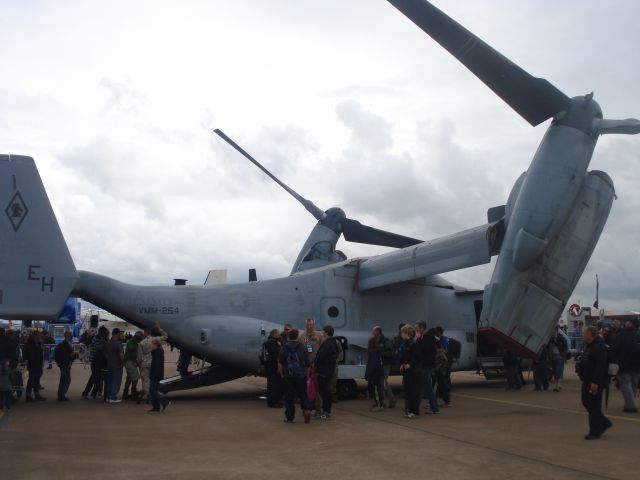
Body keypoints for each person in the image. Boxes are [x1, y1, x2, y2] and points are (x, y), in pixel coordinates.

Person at [577, 326, 612, 440]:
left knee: (594, 405)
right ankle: (604, 422)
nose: (582, 335)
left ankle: (595, 431)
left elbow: (600, 366)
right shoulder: (590, 346)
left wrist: (595, 382)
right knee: (587, 402)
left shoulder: (599, 347)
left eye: (584, 333)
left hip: (594, 381)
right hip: (587, 380)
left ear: (590, 334)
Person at [278, 328, 311, 423]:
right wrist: (307, 375)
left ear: (288, 336)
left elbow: (280, 363)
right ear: (297, 336)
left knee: (289, 397)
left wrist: (282, 374)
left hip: (288, 376)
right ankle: (306, 410)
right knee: (303, 394)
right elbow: (308, 363)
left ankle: (289, 417)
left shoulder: (284, 347)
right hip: (300, 375)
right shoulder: (303, 347)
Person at [613, 320, 640, 413]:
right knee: (633, 384)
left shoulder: (620, 335)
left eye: (628, 322)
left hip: (624, 364)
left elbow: (615, 350)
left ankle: (631, 405)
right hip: (637, 364)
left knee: (625, 384)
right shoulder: (637, 335)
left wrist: (615, 362)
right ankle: (630, 402)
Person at [299, 318, 323, 416]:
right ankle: (306, 408)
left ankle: (318, 409)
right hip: (305, 366)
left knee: (317, 388)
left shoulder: (319, 336)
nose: (309, 327)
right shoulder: (302, 337)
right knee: (305, 388)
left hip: (316, 366)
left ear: (314, 325)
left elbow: (323, 350)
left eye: (311, 325)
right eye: (307, 325)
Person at [138, 323, 168, 403]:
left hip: (145, 364)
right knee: (153, 380)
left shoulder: (141, 343)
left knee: (145, 380)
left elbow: (139, 356)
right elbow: (166, 336)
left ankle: (148, 395)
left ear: (145, 333)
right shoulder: (156, 339)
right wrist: (159, 329)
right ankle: (152, 395)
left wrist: (139, 364)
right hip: (154, 363)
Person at [314, 325, 339, 419]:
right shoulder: (333, 342)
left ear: (327, 332)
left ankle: (326, 411)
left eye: (323, 331)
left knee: (324, 392)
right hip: (328, 370)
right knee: (325, 391)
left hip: (324, 371)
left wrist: (315, 364)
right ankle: (326, 410)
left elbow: (321, 356)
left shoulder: (328, 343)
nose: (322, 333)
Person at [415, 321, 439, 414]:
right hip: (423, 365)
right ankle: (434, 408)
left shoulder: (428, 337)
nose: (416, 330)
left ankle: (414, 407)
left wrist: (418, 339)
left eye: (417, 328)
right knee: (428, 388)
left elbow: (423, 348)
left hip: (427, 365)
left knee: (422, 387)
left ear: (422, 328)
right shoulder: (422, 337)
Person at [399, 324, 422, 418]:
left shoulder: (414, 344)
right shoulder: (405, 344)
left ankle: (414, 411)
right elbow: (405, 356)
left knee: (414, 391)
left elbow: (418, 358)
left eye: (402, 333)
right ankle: (409, 409)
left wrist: (410, 364)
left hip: (414, 371)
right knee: (407, 391)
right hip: (407, 371)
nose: (401, 335)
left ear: (406, 333)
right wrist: (402, 364)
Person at [82, 326, 109, 399]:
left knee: (96, 378)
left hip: (97, 361)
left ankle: (91, 393)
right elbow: (100, 348)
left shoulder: (99, 338)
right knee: (94, 378)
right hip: (95, 361)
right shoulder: (97, 339)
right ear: (102, 332)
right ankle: (88, 393)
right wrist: (106, 342)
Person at [148, 329, 170, 412]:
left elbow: (157, 365)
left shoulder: (157, 352)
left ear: (155, 345)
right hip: (156, 374)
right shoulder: (157, 351)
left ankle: (165, 401)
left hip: (155, 374)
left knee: (152, 390)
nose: (150, 346)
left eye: (151, 345)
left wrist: (154, 375)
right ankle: (156, 407)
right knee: (154, 390)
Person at [261, 329, 283, 408]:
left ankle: (270, 401)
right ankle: (274, 402)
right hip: (274, 367)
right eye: (278, 334)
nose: (279, 335)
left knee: (270, 384)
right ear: (275, 334)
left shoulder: (266, 343)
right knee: (275, 385)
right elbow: (276, 356)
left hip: (268, 366)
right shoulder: (274, 343)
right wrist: (279, 367)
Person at [365, 328, 385, 412]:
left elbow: (372, 365)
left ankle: (379, 405)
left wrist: (368, 374)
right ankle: (379, 403)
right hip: (378, 372)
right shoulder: (377, 351)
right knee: (378, 388)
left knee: (375, 389)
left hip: (374, 374)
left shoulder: (373, 353)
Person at [55, 331, 77, 401]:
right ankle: (61, 395)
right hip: (64, 364)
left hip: (67, 364)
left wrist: (74, 356)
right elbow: (64, 355)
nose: (72, 336)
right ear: (66, 336)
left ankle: (62, 394)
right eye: (70, 335)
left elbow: (70, 355)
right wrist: (71, 356)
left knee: (66, 379)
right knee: (65, 379)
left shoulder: (69, 344)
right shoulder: (62, 345)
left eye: (71, 335)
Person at [23, 331, 46, 402]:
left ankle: (37, 394)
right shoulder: (29, 343)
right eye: (38, 335)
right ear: (34, 336)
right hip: (32, 364)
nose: (39, 336)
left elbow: (40, 353)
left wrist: (41, 362)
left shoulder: (39, 343)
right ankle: (28, 395)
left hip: (38, 364)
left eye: (39, 335)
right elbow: (26, 353)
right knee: (31, 380)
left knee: (37, 379)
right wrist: (28, 360)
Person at [378, 327, 397, 408]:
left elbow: (391, 352)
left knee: (384, 382)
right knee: (381, 383)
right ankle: (381, 401)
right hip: (379, 364)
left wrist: (381, 352)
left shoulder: (385, 341)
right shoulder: (377, 341)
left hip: (385, 364)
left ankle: (392, 399)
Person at [105, 328, 125, 403]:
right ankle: (112, 397)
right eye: (120, 333)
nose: (121, 335)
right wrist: (124, 362)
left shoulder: (108, 343)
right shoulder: (118, 344)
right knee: (116, 382)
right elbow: (121, 355)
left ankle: (108, 396)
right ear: (117, 334)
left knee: (110, 381)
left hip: (109, 365)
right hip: (117, 366)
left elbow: (106, 355)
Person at [123, 331, 143, 401]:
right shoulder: (132, 343)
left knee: (129, 378)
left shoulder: (132, 342)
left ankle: (125, 393)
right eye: (140, 338)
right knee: (135, 377)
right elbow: (133, 353)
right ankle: (133, 392)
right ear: (138, 337)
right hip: (129, 362)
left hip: (128, 362)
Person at [549, 326, 569, 392]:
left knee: (558, 370)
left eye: (553, 330)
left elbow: (566, 347)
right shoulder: (550, 339)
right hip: (553, 357)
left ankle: (558, 385)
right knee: (554, 371)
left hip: (560, 356)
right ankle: (558, 384)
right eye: (551, 330)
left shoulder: (561, 338)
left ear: (556, 330)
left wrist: (564, 354)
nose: (552, 331)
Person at [434, 328, 450, 406]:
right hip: (440, 367)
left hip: (441, 368)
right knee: (440, 384)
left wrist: (439, 369)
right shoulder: (439, 340)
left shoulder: (443, 340)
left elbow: (445, 351)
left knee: (443, 384)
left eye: (437, 333)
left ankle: (446, 400)